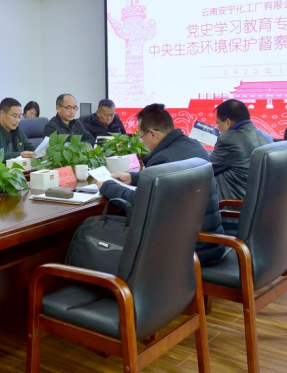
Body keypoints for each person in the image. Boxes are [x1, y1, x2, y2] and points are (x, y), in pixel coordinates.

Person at [97, 104, 226, 266]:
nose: (143, 142)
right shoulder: (193, 145)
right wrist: (133, 178)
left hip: (186, 250)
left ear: (153, 134)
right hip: (210, 241)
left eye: (141, 137)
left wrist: (107, 186)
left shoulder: (162, 159)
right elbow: (172, 179)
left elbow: (140, 204)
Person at [210, 99, 273, 200]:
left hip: (233, 205)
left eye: (218, 123)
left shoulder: (228, 139)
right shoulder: (267, 136)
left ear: (227, 122)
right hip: (261, 203)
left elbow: (208, 168)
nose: (218, 128)